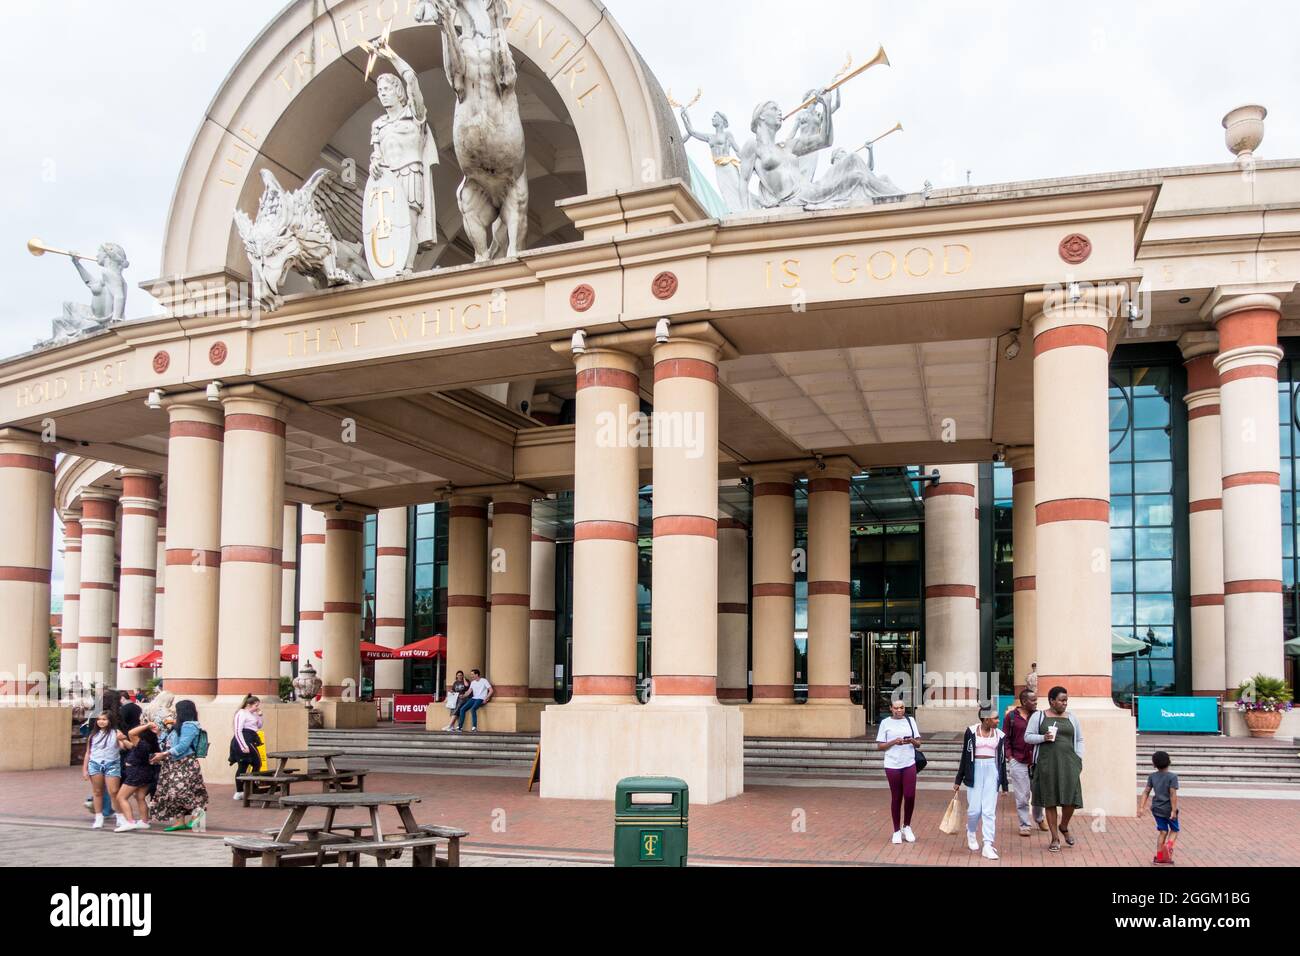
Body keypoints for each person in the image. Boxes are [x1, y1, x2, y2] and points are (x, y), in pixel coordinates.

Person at [1025, 685, 1085, 852]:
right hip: (1046, 764)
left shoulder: (1072, 718)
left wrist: (1078, 759)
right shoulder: (1039, 716)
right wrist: (1043, 737)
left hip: (1069, 764)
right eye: (1061, 700)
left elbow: (1079, 739)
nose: (1065, 703)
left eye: (1066, 700)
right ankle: (1055, 838)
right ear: (1052, 700)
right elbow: (1027, 737)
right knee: (1050, 800)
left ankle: (1064, 826)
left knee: (1071, 799)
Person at [954, 703, 1008, 860]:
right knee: (974, 810)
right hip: (974, 772)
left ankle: (988, 844)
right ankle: (971, 831)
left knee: (989, 811)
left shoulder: (1000, 735)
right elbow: (965, 756)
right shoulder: (971, 732)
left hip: (992, 771)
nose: (998, 720)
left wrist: (1004, 784)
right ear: (985, 719)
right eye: (995, 718)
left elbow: (1002, 761)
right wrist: (958, 779)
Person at [149, 699, 209, 832]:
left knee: (179, 791)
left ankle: (197, 812)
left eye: (176, 710)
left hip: (185, 763)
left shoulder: (190, 725)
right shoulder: (177, 725)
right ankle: (179, 821)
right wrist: (159, 733)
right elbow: (166, 743)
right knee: (170, 793)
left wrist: (163, 754)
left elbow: (183, 746)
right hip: (171, 764)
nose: (173, 712)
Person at [875, 697, 922, 844]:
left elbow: (919, 743)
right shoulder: (885, 723)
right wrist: (893, 742)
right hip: (892, 764)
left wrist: (911, 741)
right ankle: (896, 830)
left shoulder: (910, 721)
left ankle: (906, 826)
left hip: (909, 762)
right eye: (896, 708)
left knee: (910, 795)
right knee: (896, 797)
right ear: (891, 708)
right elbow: (880, 746)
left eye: (901, 707)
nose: (899, 710)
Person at [1002, 689, 1047, 836]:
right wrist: (1010, 757)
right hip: (1018, 760)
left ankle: (1039, 818)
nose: (1036, 703)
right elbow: (1006, 739)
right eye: (1033, 700)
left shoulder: (1039, 716)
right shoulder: (1011, 717)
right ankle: (1024, 824)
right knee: (1022, 796)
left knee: (1039, 793)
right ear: (1024, 702)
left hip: (1036, 761)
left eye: (1036, 700)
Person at [114, 702, 159, 831]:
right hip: (146, 772)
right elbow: (131, 746)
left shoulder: (142, 743)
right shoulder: (146, 744)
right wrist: (121, 739)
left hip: (136, 773)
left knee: (121, 797)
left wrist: (147, 725)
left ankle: (130, 821)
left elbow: (131, 732)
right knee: (140, 797)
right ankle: (144, 821)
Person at [82, 710, 127, 831]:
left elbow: (123, 747)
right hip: (95, 764)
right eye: (99, 719)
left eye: (104, 719)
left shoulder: (115, 732)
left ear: (110, 721)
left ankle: (120, 816)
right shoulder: (93, 735)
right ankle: (98, 816)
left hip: (112, 764)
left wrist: (122, 739)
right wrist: (84, 769)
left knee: (113, 791)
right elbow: (88, 752)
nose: (101, 722)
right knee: (97, 791)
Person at [1140, 751, 1180, 865]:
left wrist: (1141, 807)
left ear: (1154, 764)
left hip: (1157, 809)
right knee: (1175, 830)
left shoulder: (1152, 776)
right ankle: (1168, 846)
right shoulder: (1173, 777)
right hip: (1168, 809)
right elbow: (1173, 794)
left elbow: (1146, 792)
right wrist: (1173, 810)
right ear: (1169, 762)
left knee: (1163, 832)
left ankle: (1159, 857)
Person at [228, 694, 264, 796]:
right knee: (246, 765)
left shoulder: (253, 714)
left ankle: (251, 787)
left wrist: (260, 716)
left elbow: (259, 726)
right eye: (256, 705)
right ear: (249, 704)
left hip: (252, 738)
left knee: (256, 763)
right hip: (244, 739)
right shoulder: (241, 713)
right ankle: (240, 791)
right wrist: (243, 746)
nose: (257, 708)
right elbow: (237, 730)